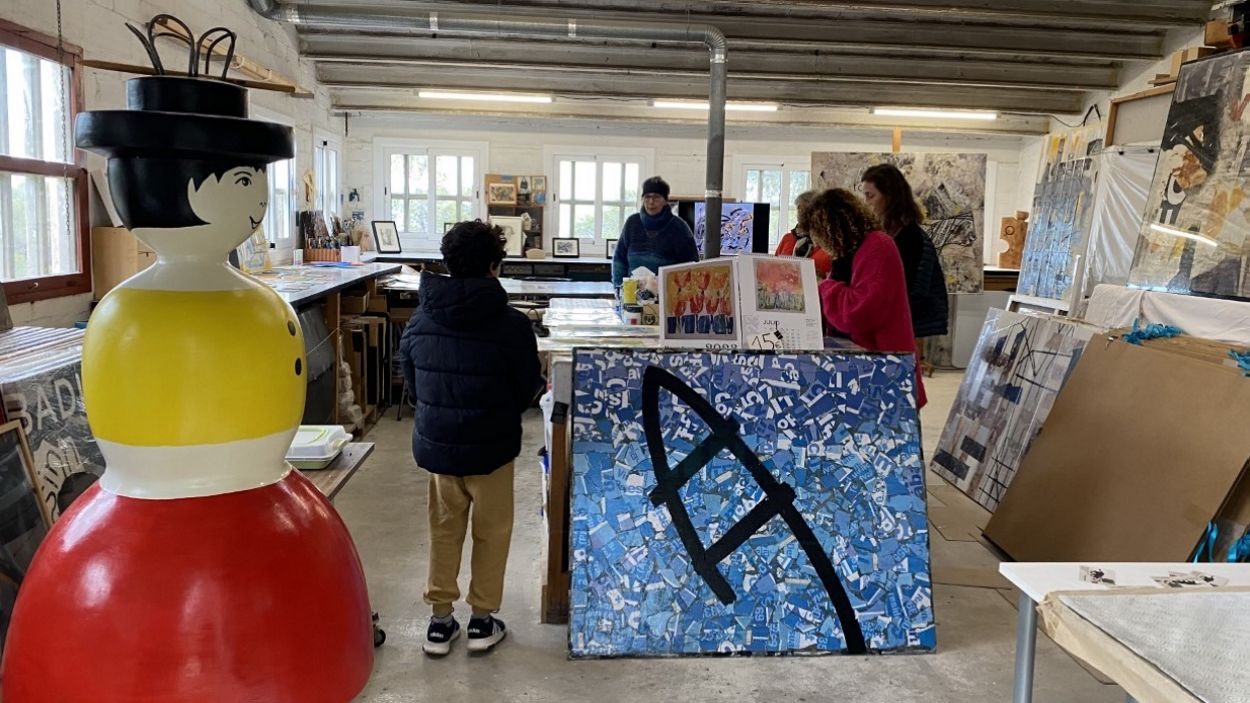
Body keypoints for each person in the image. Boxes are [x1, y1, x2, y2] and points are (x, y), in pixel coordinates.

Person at [399, 220, 543, 656]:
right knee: (492, 531)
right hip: (492, 446)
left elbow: (412, 383)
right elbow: (527, 389)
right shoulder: (513, 325)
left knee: (444, 529)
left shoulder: (420, 320)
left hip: (440, 449)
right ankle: (482, 621)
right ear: (495, 266)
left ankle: (440, 622)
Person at [808, 188, 927, 408]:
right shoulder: (851, 251)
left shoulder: (878, 246)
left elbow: (860, 312)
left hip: (883, 364)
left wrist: (824, 287)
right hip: (862, 364)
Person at [860, 164, 949, 339]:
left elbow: (910, 290)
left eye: (870, 196)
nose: (866, 202)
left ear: (889, 196)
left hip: (908, 323)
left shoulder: (910, 237)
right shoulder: (888, 233)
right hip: (896, 319)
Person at [611, 176, 699, 287]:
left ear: (665, 200)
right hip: (632, 295)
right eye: (647, 197)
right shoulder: (632, 223)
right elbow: (619, 258)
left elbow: (691, 265)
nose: (651, 202)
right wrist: (618, 286)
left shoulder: (679, 228)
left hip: (666, 294)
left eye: (656, 197)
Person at [773, 190, 833, 279]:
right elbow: (773, 269)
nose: (800, 212)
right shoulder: (787, 238)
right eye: (798, 208)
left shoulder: (829, 244)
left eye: (805, 208)